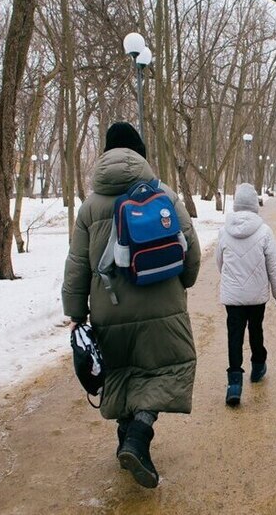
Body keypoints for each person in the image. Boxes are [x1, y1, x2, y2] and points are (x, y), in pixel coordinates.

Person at [62, 121, 201, 488]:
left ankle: (127, 439)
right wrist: (183, 283)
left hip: (109, 307)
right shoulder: (164, 194)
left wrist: (76, 311)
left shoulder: (90, 206)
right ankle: (139, 435)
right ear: (141, 154)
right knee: (168, 368)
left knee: (120, 370)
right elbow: (192, 248)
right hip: (162, 304)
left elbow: (77, 263)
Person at [216, 183, 276, 406]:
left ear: (236, 204)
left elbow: (220, 262)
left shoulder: (224, 231)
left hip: (233, 297)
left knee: (234, 336)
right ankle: (258, 366)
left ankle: (234, 383)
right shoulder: (264, 231)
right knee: (256, 330)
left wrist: (232, 280)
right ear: (255, 205)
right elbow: (273, 266)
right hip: (257, 297)